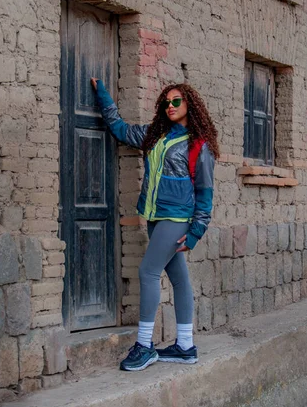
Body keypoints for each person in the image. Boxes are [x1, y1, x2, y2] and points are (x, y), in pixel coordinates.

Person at [90, 78, 219, 371]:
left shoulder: (199, 145)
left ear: (190, 106)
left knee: (148, 271)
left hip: (177, 218)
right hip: (155, 216)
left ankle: (144, 345)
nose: (170, 106)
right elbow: (121, 130)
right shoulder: (155, 136)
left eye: (177, 101)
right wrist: (103, 95)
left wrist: (196, 231)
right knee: (179, 278)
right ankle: (185, 346)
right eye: (166, 102)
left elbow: (205, 193)